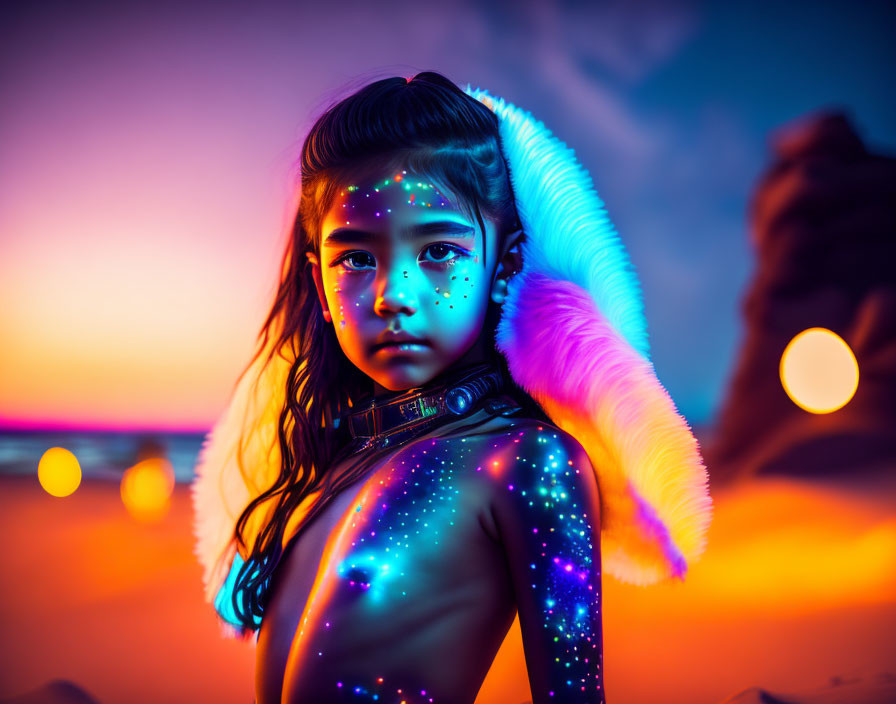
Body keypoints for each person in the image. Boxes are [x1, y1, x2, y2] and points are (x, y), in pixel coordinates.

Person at [191, 71, 712, 704]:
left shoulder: (527, 462)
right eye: (355, 258)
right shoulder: (329, 462)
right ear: (319, 284)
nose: (394, 296)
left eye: (439, 251)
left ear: (506, 265)